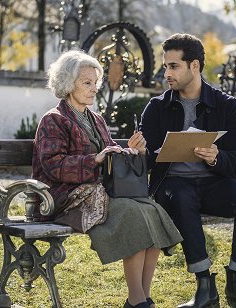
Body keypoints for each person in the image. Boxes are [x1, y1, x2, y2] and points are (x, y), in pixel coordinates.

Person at [32, 50, 182, 308]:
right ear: (68, 83)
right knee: (132, 213)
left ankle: (143, 298)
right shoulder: (53, 120)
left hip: (99, 192)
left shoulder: (96, 119)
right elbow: (53, 166)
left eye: (95, 83)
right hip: (65, 198)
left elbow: (112, 157)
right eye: (86, 82)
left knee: (153, 210)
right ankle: (137, 300)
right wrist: (95, 160)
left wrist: (133, 151)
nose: (93, 89)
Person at [140, 33, 236, 308]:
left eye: (174, 66)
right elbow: (146, 161)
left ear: (194, 66)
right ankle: (204, 286)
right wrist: (145, 153)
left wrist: (216, 157)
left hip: (214, 183)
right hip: (173, 185)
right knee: (182, 198)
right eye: (165, 66)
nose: (167, 73)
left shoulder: (226, 105)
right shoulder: (156, 108)